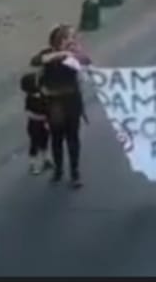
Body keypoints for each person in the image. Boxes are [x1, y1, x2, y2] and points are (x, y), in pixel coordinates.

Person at [31, 24, 90, 188]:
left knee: (73, 137)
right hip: (54, 103)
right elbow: (36, 61)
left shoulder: (75, 56)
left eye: (72, 37)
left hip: (72, 101)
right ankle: (58, 170)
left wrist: (75, 52)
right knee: (57, 138)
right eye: (67, 38)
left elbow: (86, 61)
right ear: (58, 40)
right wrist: (60, 54)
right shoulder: (49, 54)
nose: (70, 40)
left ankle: (75, 172)